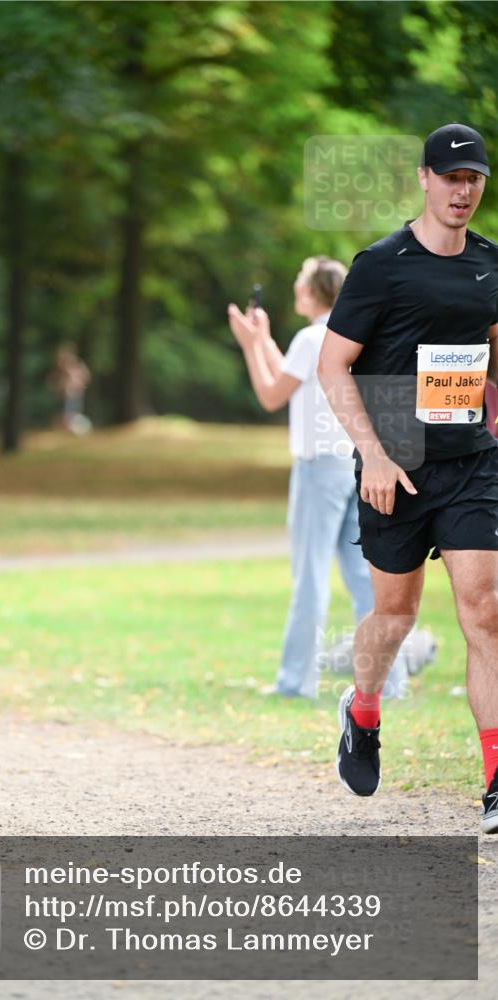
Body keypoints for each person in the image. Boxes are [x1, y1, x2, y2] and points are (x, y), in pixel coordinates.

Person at [317, 123, 498, 833]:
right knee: (395, 616)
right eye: (450, 177)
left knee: (483, 612)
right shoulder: (380, 265)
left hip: (470, 463)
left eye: (473, 179)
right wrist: (377, 454)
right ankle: (362, 710)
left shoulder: (489, 264)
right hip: (394, 458)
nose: (462, 190)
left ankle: (494, 779)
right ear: (423, 178)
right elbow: (333, 367)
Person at [228, 257, 410, 700]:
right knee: (366, 577)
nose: (295, 287)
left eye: (298, 281)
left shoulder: (310, 338)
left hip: (317, 468)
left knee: (309, 574)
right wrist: (266, 340)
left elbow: (273, 394)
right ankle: (390, 682)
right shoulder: (347, 335)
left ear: (310, 292)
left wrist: (250, 346)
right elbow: (293, 376)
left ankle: (295, 681)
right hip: (355, 463)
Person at [48, 343, 92, 434]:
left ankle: (73, 430)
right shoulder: (71, 365)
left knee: (71, 414)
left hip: (74, 393)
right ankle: (67, 430)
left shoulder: (77, 364)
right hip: (67, 393)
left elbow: (85, 377)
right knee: (67, 414)